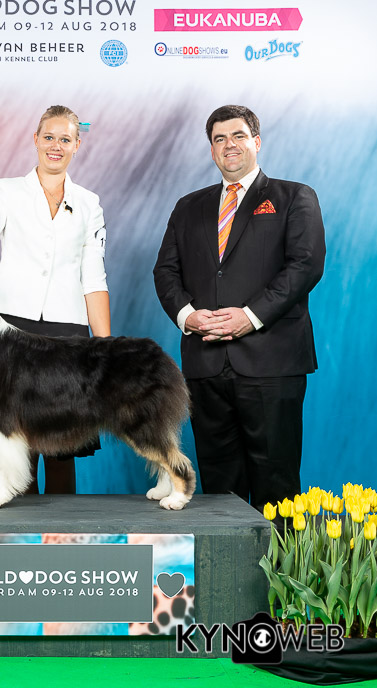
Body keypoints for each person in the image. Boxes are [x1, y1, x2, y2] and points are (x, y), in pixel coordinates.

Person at [153, 105, 325, 511]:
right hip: (205, 365)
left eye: (238, 136)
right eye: (219, 139)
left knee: (277, 484)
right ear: (212, 149)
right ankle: (225, 556)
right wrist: (188, 316)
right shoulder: (188, 206)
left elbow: (305, 265)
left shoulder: (293, 197)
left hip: (271, 363)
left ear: (256, 142)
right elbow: (166, 271)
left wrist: (249, 317)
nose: (229, 145)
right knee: (219, 491)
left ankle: (278, 556)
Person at [0, 105, 110, 494]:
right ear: (35, 140)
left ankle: (64, 523)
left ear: (77, 145)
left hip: (67, 331)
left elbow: (94, 277)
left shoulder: (89, 203)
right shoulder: (7, 191)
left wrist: (106, 347)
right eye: (49, 137)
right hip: (9, 328)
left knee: (64, 441)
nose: (56, 146)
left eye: (65, 139)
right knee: (13, 434)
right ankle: (20, 521)